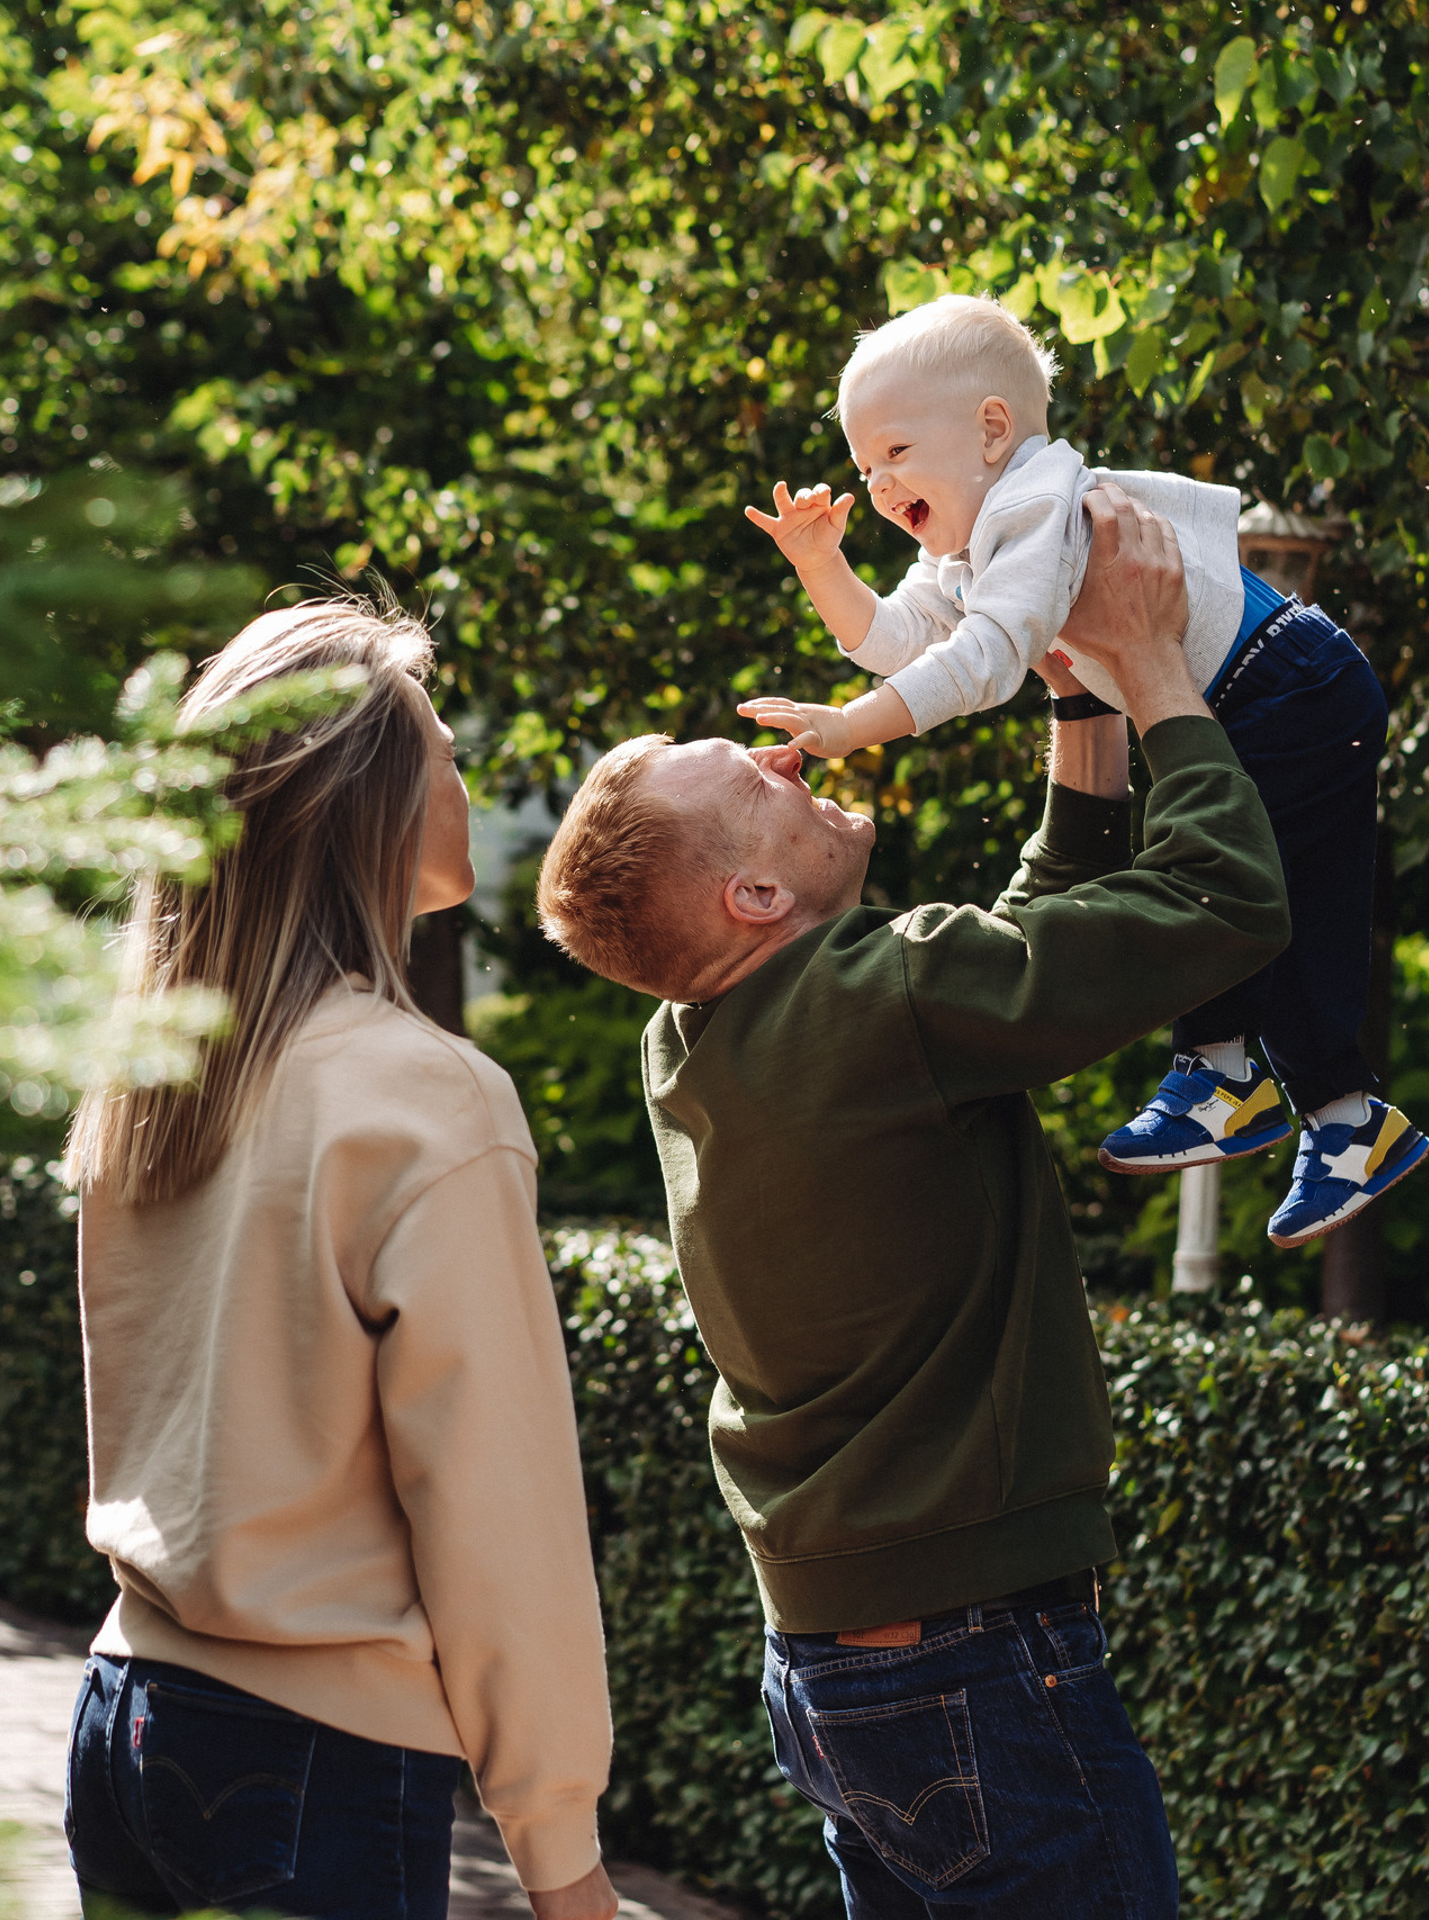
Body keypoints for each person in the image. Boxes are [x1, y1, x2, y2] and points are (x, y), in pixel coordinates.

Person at [536, 494, 1288, 1917]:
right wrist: (1158, 673)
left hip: (834, 1670)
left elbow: (1014, 957)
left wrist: (1078, 707)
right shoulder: (884, 1006)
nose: (782, 755)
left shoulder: (697, 1038)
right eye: (749, 779)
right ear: (756, 891)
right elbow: (1219, 902)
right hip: (976, 1665)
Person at [62, 601, 618, 1920]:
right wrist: (563, 1852)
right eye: (440, 746)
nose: (465, 778)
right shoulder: (427, 1100)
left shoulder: (149, 1076)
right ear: (370, 806)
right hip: (307, 1763)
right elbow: (495, 1499)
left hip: (126, 1715)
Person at [741, 292, 1429, 1247]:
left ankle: (1258, 1086)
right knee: (1257, 894)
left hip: (1286, 682)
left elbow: (983, 661)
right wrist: (823, 563)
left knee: (1213, 882)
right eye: (863, 465)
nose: (879, 482)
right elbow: (901, 642)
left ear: (992, 431)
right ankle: (1313, 1106)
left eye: (895, 453)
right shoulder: (971, 543)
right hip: (1257, 688)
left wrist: (853, 732)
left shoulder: (1031, 506)